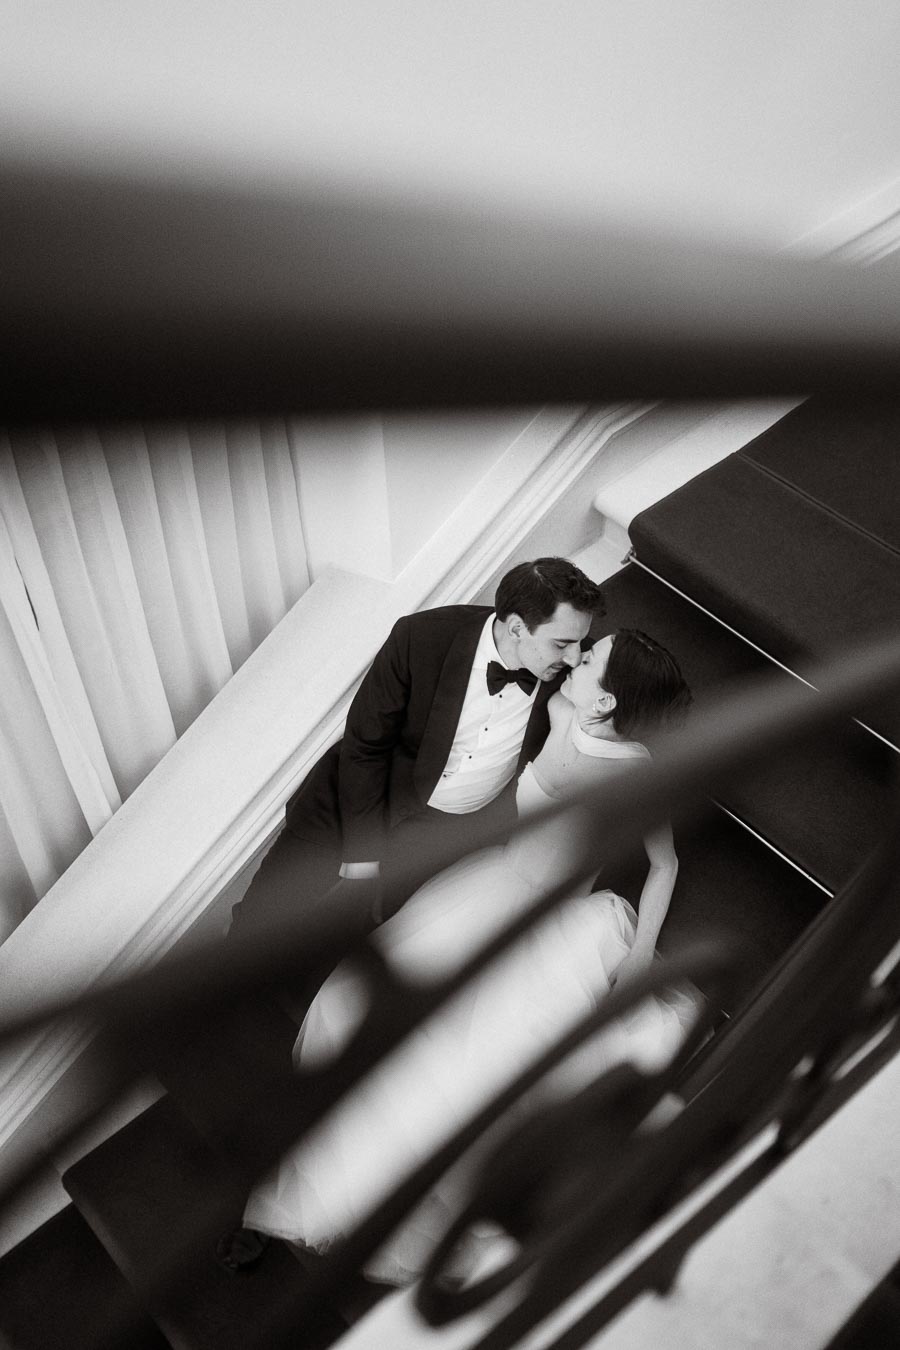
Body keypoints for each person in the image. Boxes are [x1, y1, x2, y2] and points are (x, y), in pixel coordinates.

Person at [240, 629, 697, 1286]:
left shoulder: (634, 775)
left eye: (590, 659)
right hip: (485, 890)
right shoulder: (565, 709)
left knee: (469, 1072)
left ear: (605, 704)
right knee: (354, 1009)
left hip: (552, 924)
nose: (575, 658)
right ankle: (353, 1170)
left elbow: (665, 863)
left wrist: (643, 952)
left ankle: (465, 1218)